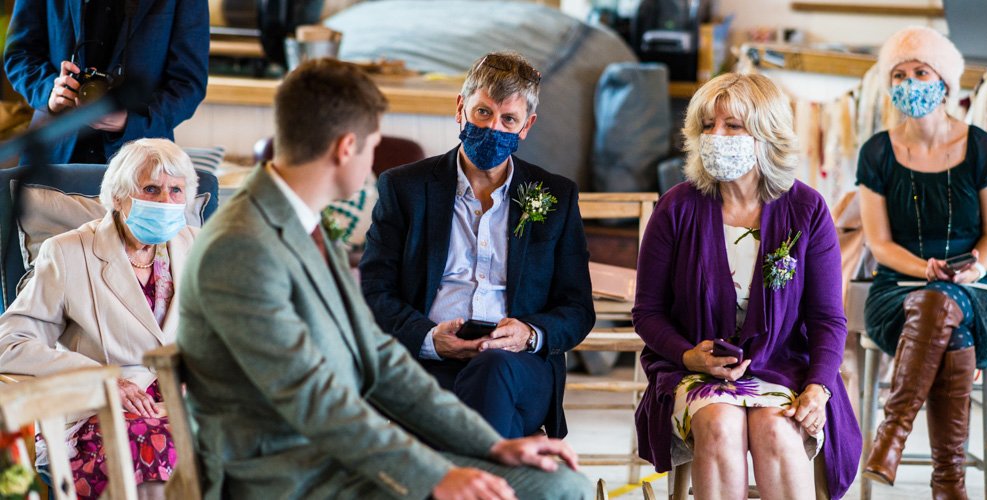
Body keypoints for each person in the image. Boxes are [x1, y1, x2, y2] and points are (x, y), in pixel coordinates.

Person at [176, 58, 591, 499]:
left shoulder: (307, 229)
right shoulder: (241, 247)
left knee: (561, 486)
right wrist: (433, 474)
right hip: (288, 474)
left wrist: (491, 444)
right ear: (346, 147)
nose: (373, 161)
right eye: (373, 145)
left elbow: (380, 358)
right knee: (549, 493)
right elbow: (315, 399)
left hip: (338, 456)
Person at [631, 73, 862, 500]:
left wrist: (817, 388)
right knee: (719, 421)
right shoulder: (676, 207)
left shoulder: (807, 208)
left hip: (785, 365)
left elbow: (827, 318)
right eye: (707, 125)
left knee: (776, 428)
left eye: (732, 126)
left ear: (766, 134)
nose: (716, 136)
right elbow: (646, 312)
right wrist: (688, 355)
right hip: (692, 370)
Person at [359, 51, 595, 440]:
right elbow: (374, 290)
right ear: (460, 108)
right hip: (427, 360)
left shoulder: (556, 195)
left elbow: (576, 307)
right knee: (475, 404)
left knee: (492, 371)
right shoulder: (405, 187)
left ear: (526, 126)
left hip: (518, 367)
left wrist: (529, 334)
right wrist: (429, 339)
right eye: (483, 113)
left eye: (509, 120)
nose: (493, 128)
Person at [0, 138, 201, 499]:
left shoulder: (198, 245)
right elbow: (9, 343)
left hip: (182, 403)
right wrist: (102, 379)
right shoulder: (67, 252)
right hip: (99, 410)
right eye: (151, 189)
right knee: (155, 447)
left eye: (176, 191)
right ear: (120, 196)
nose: (165, 202)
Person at [858, 26, 987, 499]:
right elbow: (878, 243)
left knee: (945, 307)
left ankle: (891, 436)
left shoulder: (982, 148)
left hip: (978, 288)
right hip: (898, 291)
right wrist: (925, 270)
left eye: (921, 71)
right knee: (940, 311)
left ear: (944, 82)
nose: (909, 82)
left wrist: (976, 266)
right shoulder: (876, 153)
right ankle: (949, 483)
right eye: (898, 74)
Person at [3, 0, 209, 164]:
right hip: (53, 154)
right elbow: (18, 54)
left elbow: (188, 83)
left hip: (140, 164)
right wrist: (49, 91)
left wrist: (132, 122)